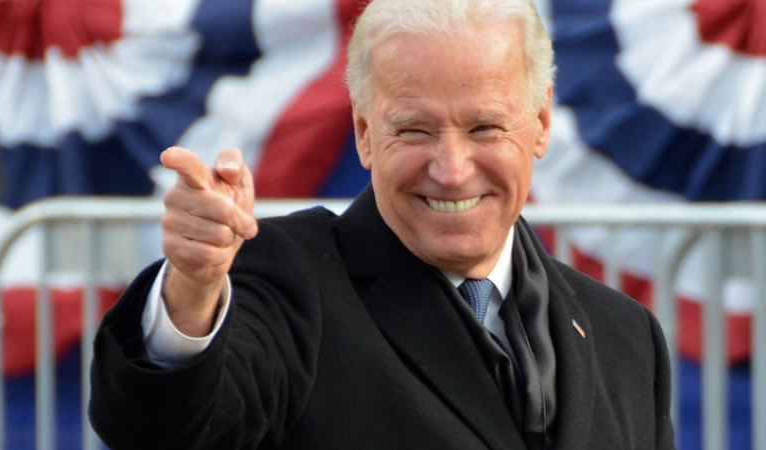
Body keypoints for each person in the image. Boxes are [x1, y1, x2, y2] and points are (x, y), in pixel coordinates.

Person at [89, 0, 676, 449]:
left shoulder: (626, 335)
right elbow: (167, 431)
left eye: (484, 128)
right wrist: (192, 290)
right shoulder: (286, 281)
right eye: (415, 130)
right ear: (365, 134)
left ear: (541, 123)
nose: (451, 170)